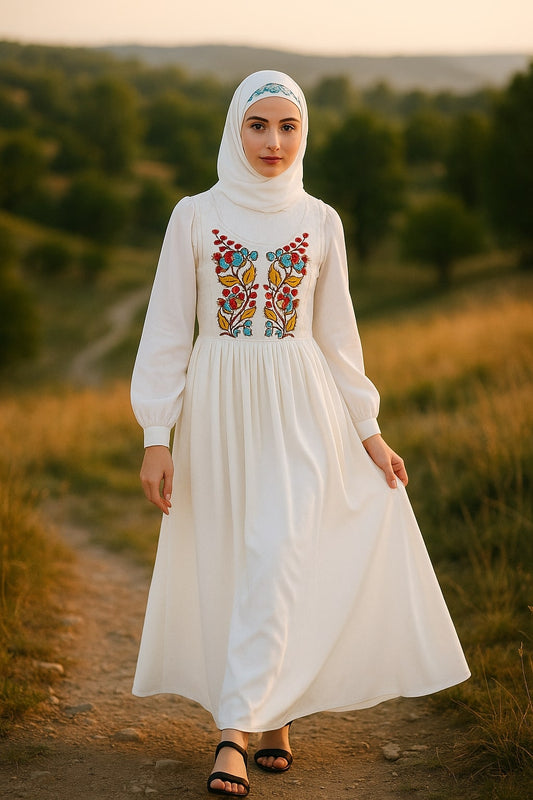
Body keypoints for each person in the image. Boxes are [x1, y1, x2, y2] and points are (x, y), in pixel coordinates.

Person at [130, 70, 470, 797]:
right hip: (219, 409)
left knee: (279, 550)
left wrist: (368, 430)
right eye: (258, 125)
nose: (273, 142)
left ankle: (232, 732)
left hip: (300, 407)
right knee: (233, 555)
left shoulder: (320, 221)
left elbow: (337, 336)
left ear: (303, 133)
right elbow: (165, 332)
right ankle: (274, 712)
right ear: (234, 129)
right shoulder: (193, 215)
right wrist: (157, 432)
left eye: (287, 126)